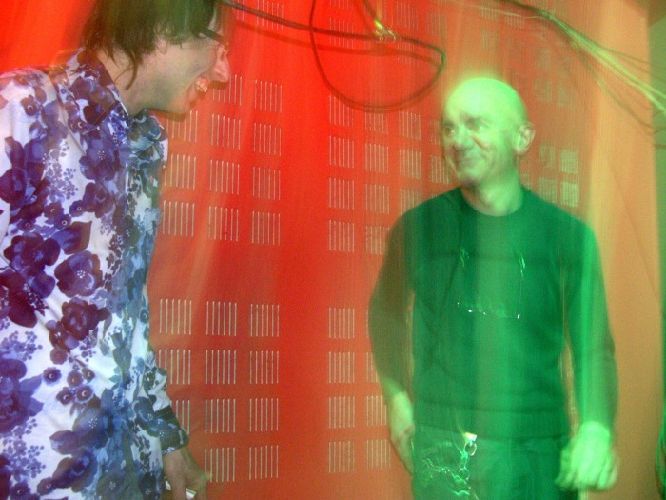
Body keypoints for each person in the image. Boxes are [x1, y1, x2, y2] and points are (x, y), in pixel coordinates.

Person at [0, 0, 230, 498]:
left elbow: (126, 319)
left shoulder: (143, 147)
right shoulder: (21, 111)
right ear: (165, 24)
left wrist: (165, 439)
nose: (223, 71)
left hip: (123, 477)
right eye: (217, 45)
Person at [369, 77, 618, 499]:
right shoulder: (419, 229)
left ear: (522, 137)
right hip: (446, 448)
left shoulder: (568, 238)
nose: (457, 140)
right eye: (449, 128)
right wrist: (395, 397)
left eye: (475, 124)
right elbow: (385, 312)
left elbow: (594, 346)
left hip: (538, 452)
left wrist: (596, 426)